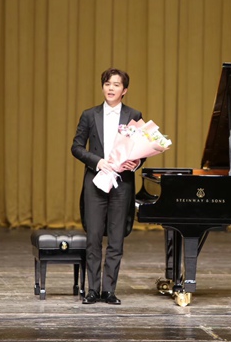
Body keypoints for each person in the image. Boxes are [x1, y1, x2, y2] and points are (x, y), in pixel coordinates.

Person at [71, 67, 144, 305]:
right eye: (107, 84)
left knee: (116, 238)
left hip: (122, 184)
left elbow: (142, 149)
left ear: (125, 90)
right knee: (93, 237)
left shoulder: (134, 114)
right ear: (103, 87)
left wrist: (136, 163)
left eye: (116, 85)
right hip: (96, 182)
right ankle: (92, 290)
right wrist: (97, 161)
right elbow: (77, 147)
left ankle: (109, 290)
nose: (111, 88)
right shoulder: (89, 115)